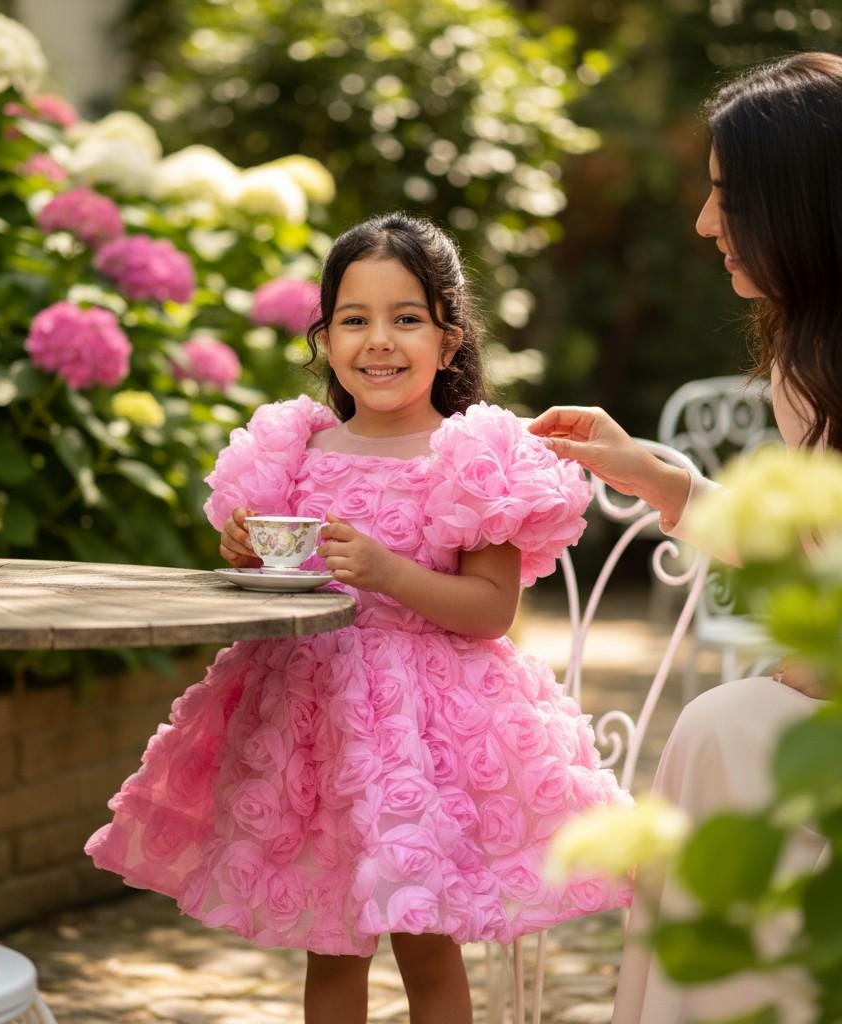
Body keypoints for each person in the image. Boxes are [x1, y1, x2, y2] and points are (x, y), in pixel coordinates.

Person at [87, 212, 632, 1024]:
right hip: (315, 729)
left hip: (428, 737)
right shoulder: (296, 452)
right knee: (332, 943)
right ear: (325, 338)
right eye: (355, 319)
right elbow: (295, 581)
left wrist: (389, 572)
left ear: (448, 341)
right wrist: (251, 553)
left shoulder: (470, 454)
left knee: (425, 944)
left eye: (406, 318)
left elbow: (491, 612)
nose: (379, 340)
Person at [530, 51, 841, 1023]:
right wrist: (665, 479)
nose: (704, 224)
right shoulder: (809, 349)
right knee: (725, 724)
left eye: (726, 197)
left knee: (728, 727)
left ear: (800, 199)